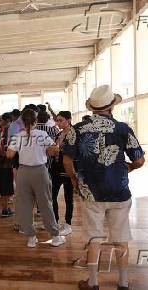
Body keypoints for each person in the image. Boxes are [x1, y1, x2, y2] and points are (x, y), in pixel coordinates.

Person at [62, 85, 145, 290]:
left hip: (92, 193)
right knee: (121, 238)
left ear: (92, 108)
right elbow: (140, 160)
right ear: (111, 107)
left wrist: (73, 179)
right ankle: (123, 283)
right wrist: (129, 168)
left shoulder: (77, 129)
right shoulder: (122, 128)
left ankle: (93, 282)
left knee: (94, 237)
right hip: (119, 192)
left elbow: (66, 161)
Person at [6, 109, 66, 248]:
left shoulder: (18, 136)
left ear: (22, 121)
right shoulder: (42, 134)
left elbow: (9, 155)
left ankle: (31, 238)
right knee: (45, 204)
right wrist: (53, 147)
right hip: (39, 171)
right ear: (35, 120)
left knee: (25, 206)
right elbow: (53, 151)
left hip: (23, 173)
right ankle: (55, 237)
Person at [50, 111, 74, 236]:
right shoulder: (58, 134)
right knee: (52, 196)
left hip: (68, 169)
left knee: (68, 197)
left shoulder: (74, 134)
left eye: (61, 120)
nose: (58, 123)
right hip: (56, 169)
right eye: (57, 120)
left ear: (68, 120)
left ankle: (68, 223)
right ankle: (55, 221)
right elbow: (54, 151)